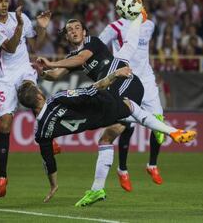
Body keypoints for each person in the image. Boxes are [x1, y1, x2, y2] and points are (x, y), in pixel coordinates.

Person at [17, 69, 197, 206]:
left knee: (107, 137)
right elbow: (88, 92)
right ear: (40, 95)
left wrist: (53, 186)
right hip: (103, 104)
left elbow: (49, 161)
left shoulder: (41, 133)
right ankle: (171, 131)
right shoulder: (56, 98)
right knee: (130, 104)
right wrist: (112, 76)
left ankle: (97, 189)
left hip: (96, 122)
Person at [35, 16, 148, 191]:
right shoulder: (72, 56)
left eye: (77, 27)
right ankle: (99, 189)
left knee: (124, 115)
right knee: (107, 137)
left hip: (123, 83)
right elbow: (55, 75)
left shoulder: (92, 42)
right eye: (69, 29)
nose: (73, 31)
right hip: (113, 90)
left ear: (84, 32)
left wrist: (51, 62)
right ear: (66, 36)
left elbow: (80, 60)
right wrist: (42, 72)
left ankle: (157, 132)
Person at [0, 0, 53, 198]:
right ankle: (2, 177)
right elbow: (10, 48)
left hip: (23, 70)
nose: (3, 5)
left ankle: (49, 136)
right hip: (4, 77)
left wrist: (42, 28)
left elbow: (35, 44)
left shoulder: (19, 17)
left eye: (6, 1)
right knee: (5, 124)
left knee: (35, 97)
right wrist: (20, 25)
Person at [98, 0, 165, 190]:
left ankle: (152, 165)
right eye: (134, 3)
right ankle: (123, 170)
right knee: (127, 126)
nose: (138, 6)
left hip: (147, 78)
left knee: (159, 124)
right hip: (126, 78)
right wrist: (111, 67)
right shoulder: (115, 27)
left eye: (139, 3)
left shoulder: (149, 25)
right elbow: (99, 46)